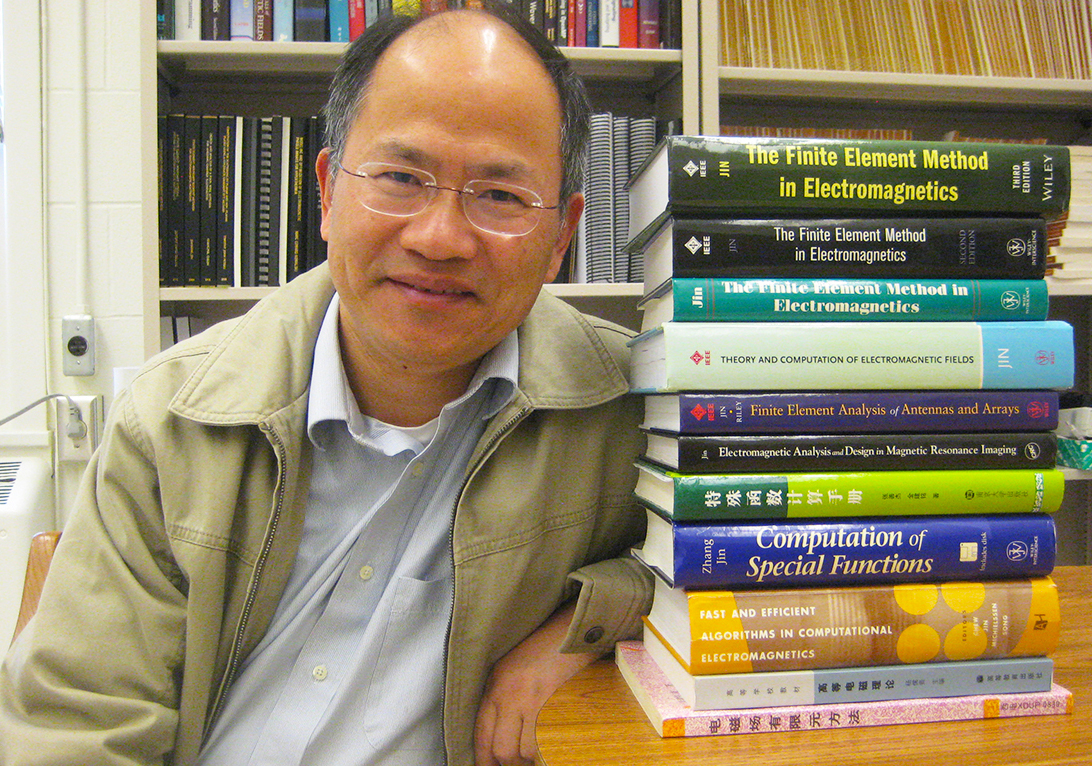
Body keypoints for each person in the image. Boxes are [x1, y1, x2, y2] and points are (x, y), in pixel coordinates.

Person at [0, 9, 651, 766]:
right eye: (401, 178)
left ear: (561, 239)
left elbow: (770, 560)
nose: (439, 238)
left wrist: (595, 620)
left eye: (500, 196)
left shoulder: (635, 410)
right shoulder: (171, 419)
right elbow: (75, 729)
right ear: (326, 194)